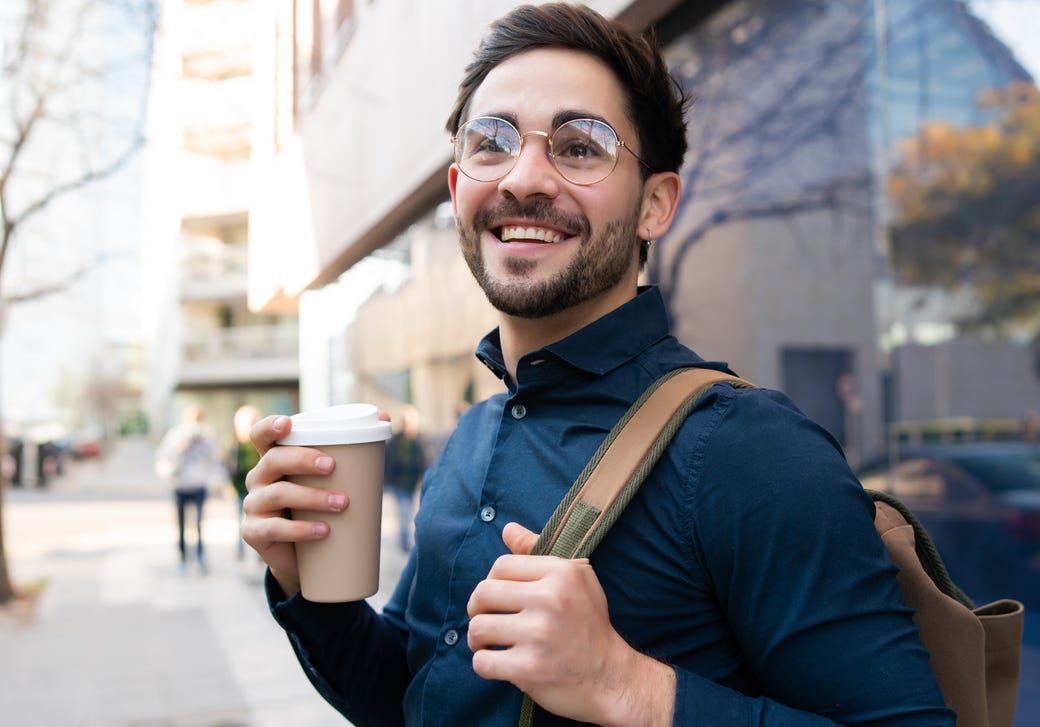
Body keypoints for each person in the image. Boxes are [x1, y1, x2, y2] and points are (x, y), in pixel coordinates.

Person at [241, 4, 952, 725]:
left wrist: (630, 686)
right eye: (491, 142)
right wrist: (309, 591)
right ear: (459, 192)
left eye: (580, 146)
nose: (523, 177)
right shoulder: (469, 438)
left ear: (654, 205)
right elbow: (414, 694)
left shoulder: (749, 449)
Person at [157, 404, 224, 574]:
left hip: (199, 485)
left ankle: (200, 558)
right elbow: (164, 456)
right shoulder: (176, 434)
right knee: (180, 526)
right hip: (180, 485)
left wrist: (218, 481)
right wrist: (181, 447)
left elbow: (214, 460)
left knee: (200, 525)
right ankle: (182, 559)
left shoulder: (208, 436)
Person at [383, 405, 426, 553]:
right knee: (403, 511)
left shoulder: (418, 440)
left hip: (412, 483)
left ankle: (405, 538)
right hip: (398, 483)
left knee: (408, 511)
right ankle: (404, 541)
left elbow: (423, 461)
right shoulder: (396, 440)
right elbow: (388, 458)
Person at [229, 404, 262, 560]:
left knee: (260, 521)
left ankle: (259, 552)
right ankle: (240, 549)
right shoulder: (236, 445)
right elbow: (231, 467)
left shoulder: (259, 446)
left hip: (257, 490)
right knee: (240, 522)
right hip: (241, 489)